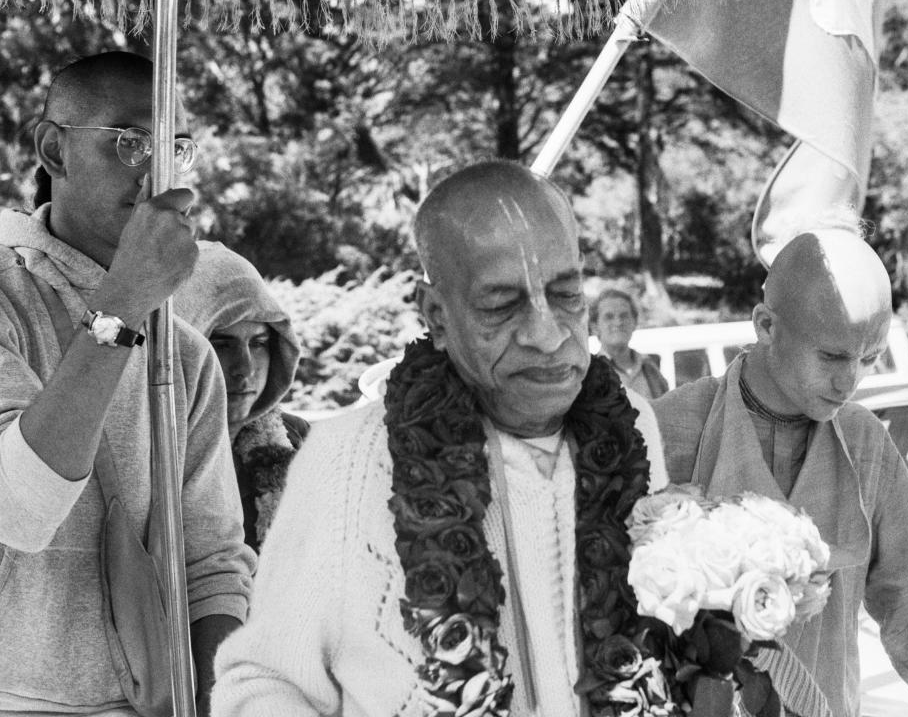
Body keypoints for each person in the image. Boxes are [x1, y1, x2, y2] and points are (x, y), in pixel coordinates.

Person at [211, 161, 669, 716]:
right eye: (502, 306)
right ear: (436, 314)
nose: (548, 336)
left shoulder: (634, 426)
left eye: (566, 294)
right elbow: (263, 681)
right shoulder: (347, 461)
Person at [0, 52, 254, 715]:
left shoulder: (187, 357)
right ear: (52, 148)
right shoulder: (7, 302)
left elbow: (213, 567)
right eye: (130, 141)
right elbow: (17, 512)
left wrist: (217, 700)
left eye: (173, 146)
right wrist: (121, 309)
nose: (155, 169)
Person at [651, 220, 908, 717]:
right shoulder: (671, 430)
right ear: (766, 325)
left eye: (869, 359)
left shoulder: (864, 443)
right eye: (833, 356)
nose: (849, 381)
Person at [174, 241, 309, 553]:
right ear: (184, 350)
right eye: (222, 344)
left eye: (259, 343)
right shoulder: (154, 451)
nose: (245, 368)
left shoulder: (296, 439)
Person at [593, 288, 669, 399]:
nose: (618, 322)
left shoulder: (651, 369)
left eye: (624, 316)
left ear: (635, 322)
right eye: (609, 317)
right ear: (594, 326)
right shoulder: (587, 375)